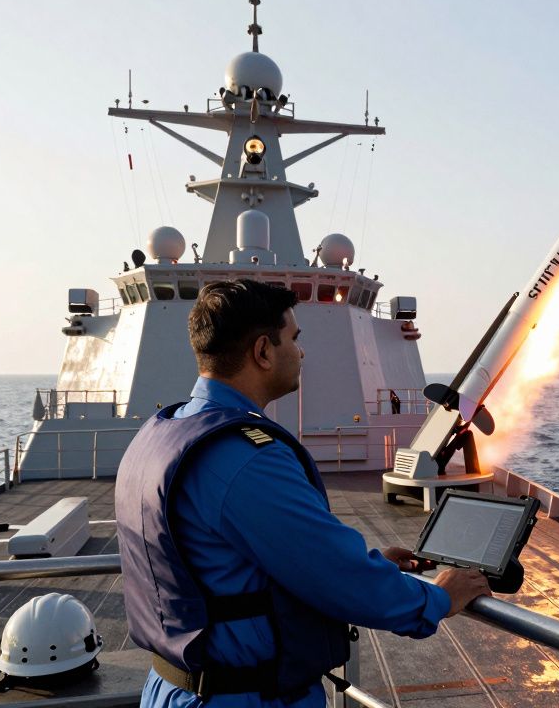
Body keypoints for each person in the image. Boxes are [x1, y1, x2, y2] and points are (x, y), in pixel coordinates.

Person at [115, 279, 491, 708]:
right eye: (293, 339)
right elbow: (337, 576)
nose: (301, 351)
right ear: (262, 351)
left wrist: (372, 563)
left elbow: (227, 567)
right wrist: (440, 597)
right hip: (241, 697)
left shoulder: (162, 432)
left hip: (171, 686)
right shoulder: (246, 457)